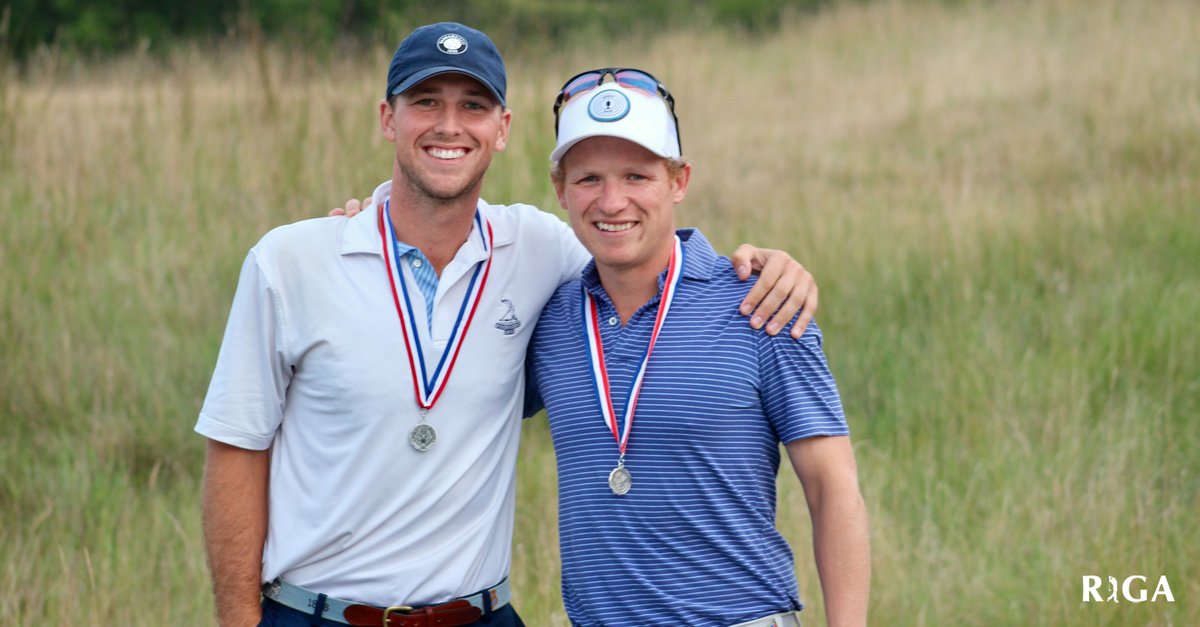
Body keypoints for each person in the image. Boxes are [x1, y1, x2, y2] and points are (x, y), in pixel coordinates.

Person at [197, 24, 819, 627]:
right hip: (318, 614)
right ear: (388, 118)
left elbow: (639, 249)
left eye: (473, 105)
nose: (449, 125)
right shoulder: (291, 261)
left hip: (479, 614)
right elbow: (235, 449)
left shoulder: (540, 248)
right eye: (425, 102)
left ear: (502, 128)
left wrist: (766, 266)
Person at [524, 69, 870, 626]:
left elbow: (832, 487)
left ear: (678, 180)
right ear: (561, 189)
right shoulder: (549, 318)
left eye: (637, 176)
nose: (612, 201)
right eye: (589, 179)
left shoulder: (762, 301)